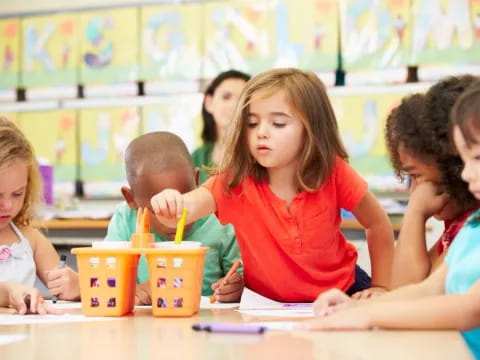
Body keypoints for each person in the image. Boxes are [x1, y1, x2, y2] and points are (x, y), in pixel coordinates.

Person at [151, 68, 394, 302]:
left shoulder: (333, 172)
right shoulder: (235, 180)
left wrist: (381, 286)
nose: (261, 133)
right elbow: (186, 209)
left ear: (311, 130)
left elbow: (377, 223)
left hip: (344, 292)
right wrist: (172, 202)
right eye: (252, 123)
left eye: (278, 124)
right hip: (268, 307)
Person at [305, 84, 480, 359]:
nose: (466, 174)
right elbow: (425, 290)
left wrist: (369, 314)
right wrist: (355, 308)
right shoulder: (473, 229)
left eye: (476, 159)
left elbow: (470, 308)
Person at [104, 131, 243, 304]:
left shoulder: (219, 218)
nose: (175, 221)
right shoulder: (124, 221)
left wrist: (238, 287)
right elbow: (106, 279)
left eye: (182, 203)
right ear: (130, 198)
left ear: (197, 180)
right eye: (158, 210)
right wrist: (132, 290)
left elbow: (244, 278)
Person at [385, 75, 479, 288]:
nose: (414, 191)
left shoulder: (471, 222)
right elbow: (406, 288)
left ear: (448, 161)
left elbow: (411, 291)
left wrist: (416, 212)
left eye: (416, 176)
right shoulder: (457, 224)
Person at [0, 117, 79, 313]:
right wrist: (8, 291)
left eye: (18, 193)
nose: (8, 205)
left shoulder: (30, 240)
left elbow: (68, 288)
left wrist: (76, 286)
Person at [192, 69, 251, 183]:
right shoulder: (195, 158)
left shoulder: (261, 156)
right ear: (209, 103)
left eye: (243, 98)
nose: (234, 105)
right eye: (226, 97)